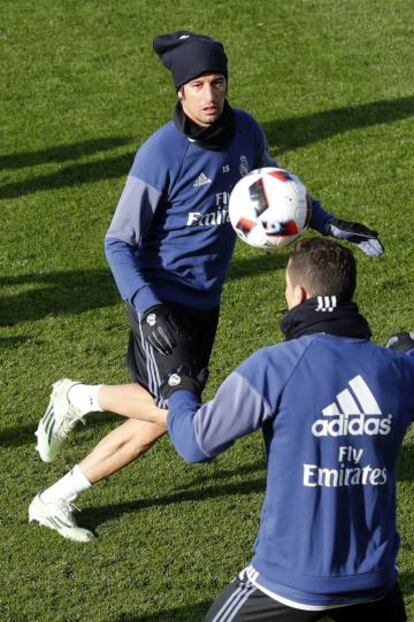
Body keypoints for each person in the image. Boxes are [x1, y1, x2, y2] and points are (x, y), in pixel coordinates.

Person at [29, 31, 384, 543]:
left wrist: (328, 223)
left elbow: (275, 193)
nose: (210, 94)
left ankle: (57, 488)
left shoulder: (245, 132)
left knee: (162, 415)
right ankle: (78, 402)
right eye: (198, 84)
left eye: (217, 82)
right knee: (181, 413)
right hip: (159, 298)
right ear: (180, 91)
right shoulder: (161, 154)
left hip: (206, 300)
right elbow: (117, 243)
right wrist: (149, 309)